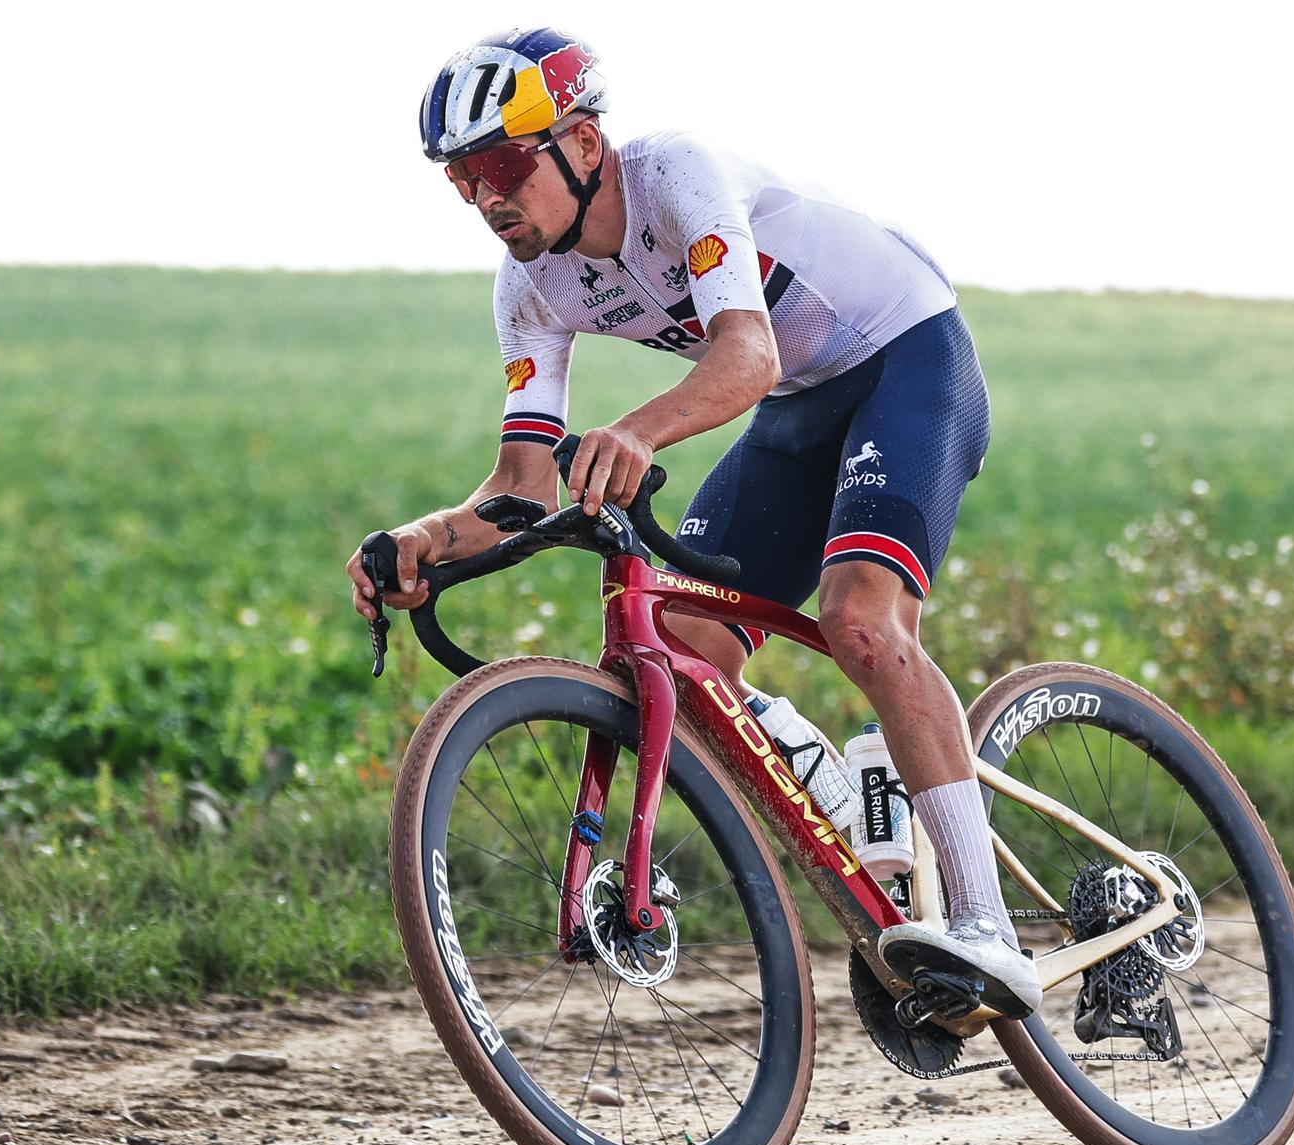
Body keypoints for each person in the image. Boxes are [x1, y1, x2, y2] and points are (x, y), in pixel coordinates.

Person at [345, 27, 1039, 1017]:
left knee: (859, 619)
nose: (488, 197)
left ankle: (985, 925)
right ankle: (837, 780)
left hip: (906, 356)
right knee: (678, 647)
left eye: (502, 164)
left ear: (584, 144)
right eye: (463, 180)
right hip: (802, 401)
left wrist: (634, 433)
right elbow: (522, 484)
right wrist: (424, 541)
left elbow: (746, 354)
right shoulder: (530, 285)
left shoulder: (676, 177)